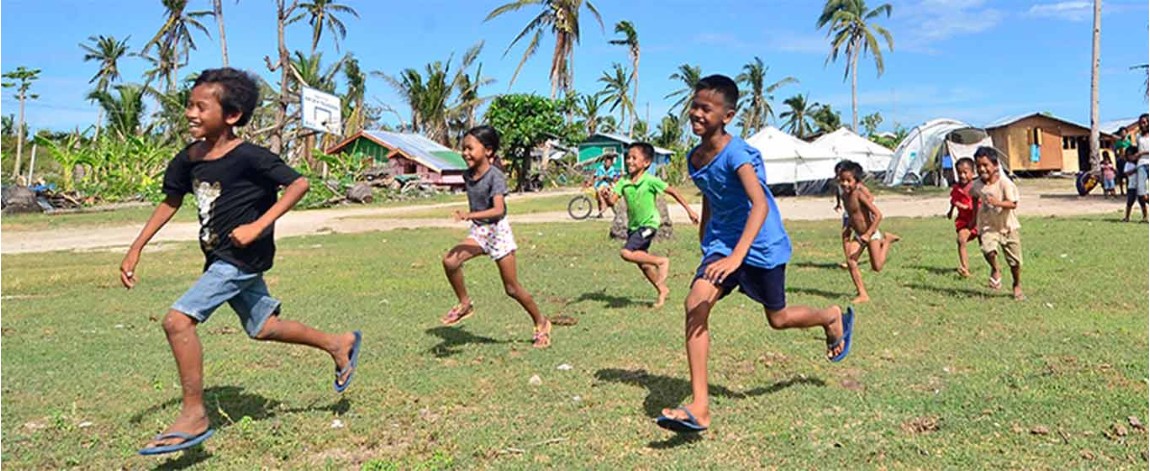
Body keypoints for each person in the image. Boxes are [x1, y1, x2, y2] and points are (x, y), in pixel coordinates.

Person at [120, 68, 362, 456]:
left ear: (231, 116)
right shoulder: (187, 160)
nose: (190, 113)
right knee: (264, 327)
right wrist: (136, 247)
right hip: (219, 256)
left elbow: (299, 183)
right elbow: (170, 202)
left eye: (202, 106)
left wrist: (258, 225)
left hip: (241, 257)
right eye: (189, 105)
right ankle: (338, 344)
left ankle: (194, 414)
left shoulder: (250, 156)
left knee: (177, 321)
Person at [654, 75, 854, 434]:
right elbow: (711, 194)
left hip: (760, 246)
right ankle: (700, 406)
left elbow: (759, 204)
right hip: (721, 246)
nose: (696, 113)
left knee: (777, 319)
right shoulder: (694, 158)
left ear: (727, 115)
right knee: (695, 303)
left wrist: (737, 257)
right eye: (694, 105)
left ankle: (830, 317)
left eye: (706, 108)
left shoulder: (738, 154)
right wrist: (708, 241)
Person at [440, 125, 552, 348]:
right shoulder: (468, 174)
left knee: (512, 289)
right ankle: (465, 304)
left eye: (470, 148)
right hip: (480, 231)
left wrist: (469, 215)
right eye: (463, 149)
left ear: (488, 150)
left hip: (498, 232)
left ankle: (542, 323)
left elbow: (498, 210)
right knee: (450, 260)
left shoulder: (496, 176)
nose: (465, 153)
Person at [600, 142, 700, 308]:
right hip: (634, 227)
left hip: (649, 224)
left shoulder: (651, 180)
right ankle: (662, 290)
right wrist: (606, 196)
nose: (629, 161)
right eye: (628, 157)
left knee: (626, 252)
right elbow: (612, 202)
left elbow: (673, 191)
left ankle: (661, 261)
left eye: (634, 158)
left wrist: (689, 210)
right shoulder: (623, 182)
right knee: (644, 264)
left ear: (646, 163)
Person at [838, 160, 900, 304]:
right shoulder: (844, 197)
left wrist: (868, 234)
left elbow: (878, 215)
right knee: (851, 261)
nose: (845, 184)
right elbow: (852, 214)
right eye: (842, 180)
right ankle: (862, 294)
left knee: (877, 267)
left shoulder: (859, 195)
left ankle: (887, 241)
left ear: (856, 181)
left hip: (871, 234)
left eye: (849, 180)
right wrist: (848, 228)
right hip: (859, 235)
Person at [970, 146, 1024, 300]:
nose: (981, 169)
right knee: (988, 250)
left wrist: (997, 203)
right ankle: (995, 269)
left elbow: (1013, 204)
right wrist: (974, 218)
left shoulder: (1005, 184)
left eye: (985, 165)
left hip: (1007, 226)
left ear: (995, 165)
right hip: (988, 226)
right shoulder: (977, 185)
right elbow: (974, 196)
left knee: (1015, 262)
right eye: (978, 166)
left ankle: (1017, 284)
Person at [832, 160, 874, 269]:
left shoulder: (857, 186)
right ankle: (849, 259)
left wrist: (863, 205)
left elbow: (870, 197)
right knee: (845, 235)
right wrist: (837, 204)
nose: (839, 177)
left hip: (859, 215)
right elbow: (838, 194)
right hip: (848, 214)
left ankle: (854, 258)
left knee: (862, 236)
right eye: (837, 174)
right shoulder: (840, 185)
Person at [947, 158, 979, 277]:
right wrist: (950, 211)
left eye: (965, 172)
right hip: (964, 222)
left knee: (986, 246)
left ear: (973, 172)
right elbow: (953, 200)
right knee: (961, 240)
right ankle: (965, 268)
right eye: (959, 173)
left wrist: (965, 207)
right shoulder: (956, 188)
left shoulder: (975, 187)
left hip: (978, 221)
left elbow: (978, 205)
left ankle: (995, 268)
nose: (962, 176)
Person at [591, 151, 621, 218]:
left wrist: (606, 177)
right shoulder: (600, 168)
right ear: (604, 162)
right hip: (599, 185)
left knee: (608, 197)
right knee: (599, 198)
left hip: (607, 185)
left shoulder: (612, 169)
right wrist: (593, 181)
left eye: (609, 163)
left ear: (611, 163)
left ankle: (607, 208)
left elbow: (613, 179)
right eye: (607, 162)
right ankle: (601, 212)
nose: (608, 164)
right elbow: (595, 176)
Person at [1122, 146, 1148, 222]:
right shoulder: (1128, 164)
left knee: (1142, 202)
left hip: (1141, 186)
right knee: (1130, 202)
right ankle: (1127, 217)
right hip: (1132, 186)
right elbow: (1127, 173)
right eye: (1128, 155)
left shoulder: (1142, 164)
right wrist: (1136, 169)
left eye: (1131, 155)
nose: (1130, 157)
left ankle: (1145, 217)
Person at [1113, 126, 1131, 196]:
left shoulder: (1128, 142)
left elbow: (1131, 150)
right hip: (1120, 160)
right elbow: (1115, 150)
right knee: (1120, 176)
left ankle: (1127, 190)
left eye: (1124, 132)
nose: (1123, 134)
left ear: (1126, 133)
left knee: (1127, 176)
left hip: (1127, 160)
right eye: (1121, 133)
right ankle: (1121, 191)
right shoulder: (1118, 142)